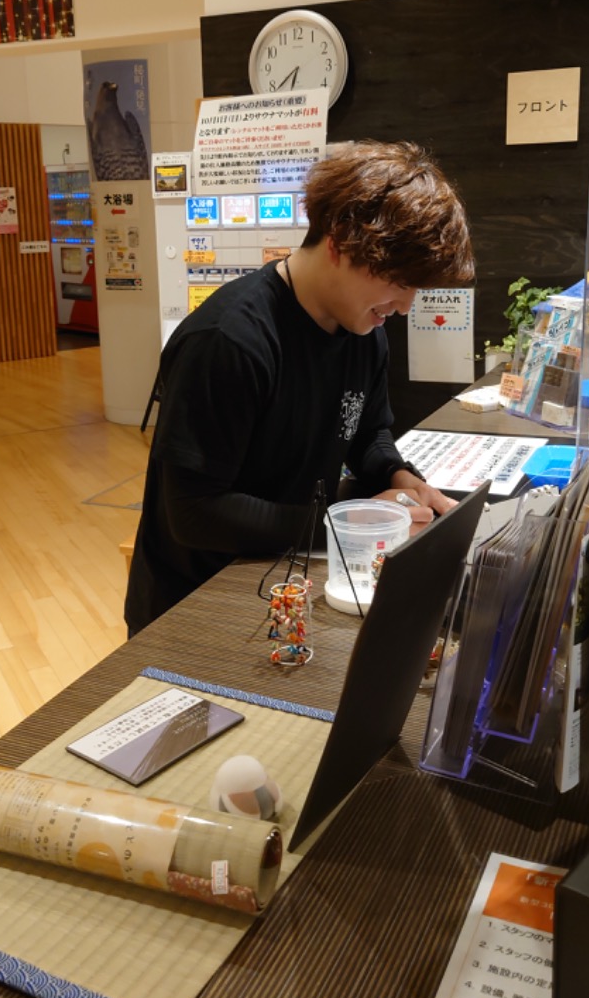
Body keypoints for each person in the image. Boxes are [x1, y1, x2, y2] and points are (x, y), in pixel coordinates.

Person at [125, 140, 474, 637]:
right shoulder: (230, 341)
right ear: (338, 244)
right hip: (192, 604)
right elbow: (194, 513)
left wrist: (397, 475)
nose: (404, 307)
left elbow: (368, 432)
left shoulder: (364, 332)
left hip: (286, 580)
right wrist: (345, 524)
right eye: (398, 282)